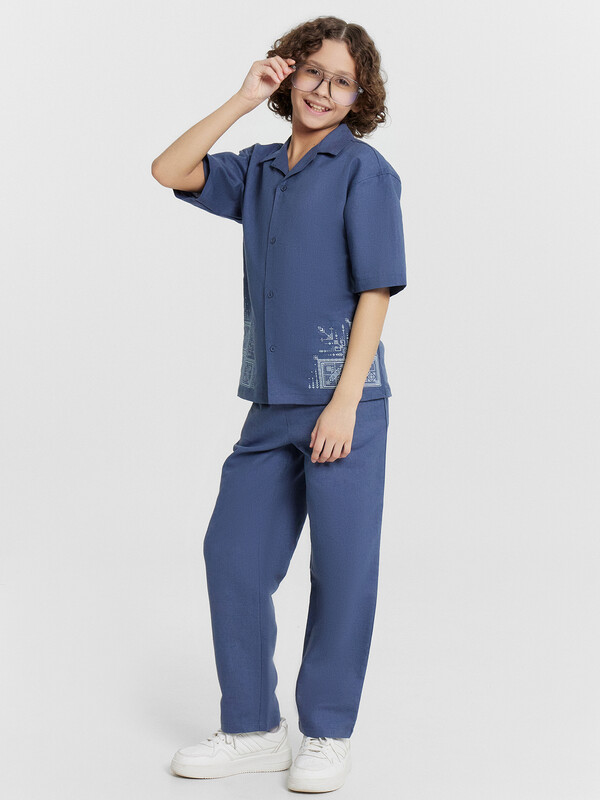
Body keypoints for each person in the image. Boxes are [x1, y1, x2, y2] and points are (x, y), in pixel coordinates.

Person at [151, 15, 407, 794]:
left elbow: (375, 291)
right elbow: (169, 169)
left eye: (343, 82)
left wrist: (345, 402)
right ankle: (253, 728)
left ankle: (326, 732)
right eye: (313, 72)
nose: (324, 91)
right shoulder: (259, 167)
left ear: (360, 97)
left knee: (342, 573)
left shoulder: (365, 172)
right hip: (269, 405)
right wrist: (242, 96)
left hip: (344, 405)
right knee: (232, 555)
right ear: (289, 73)